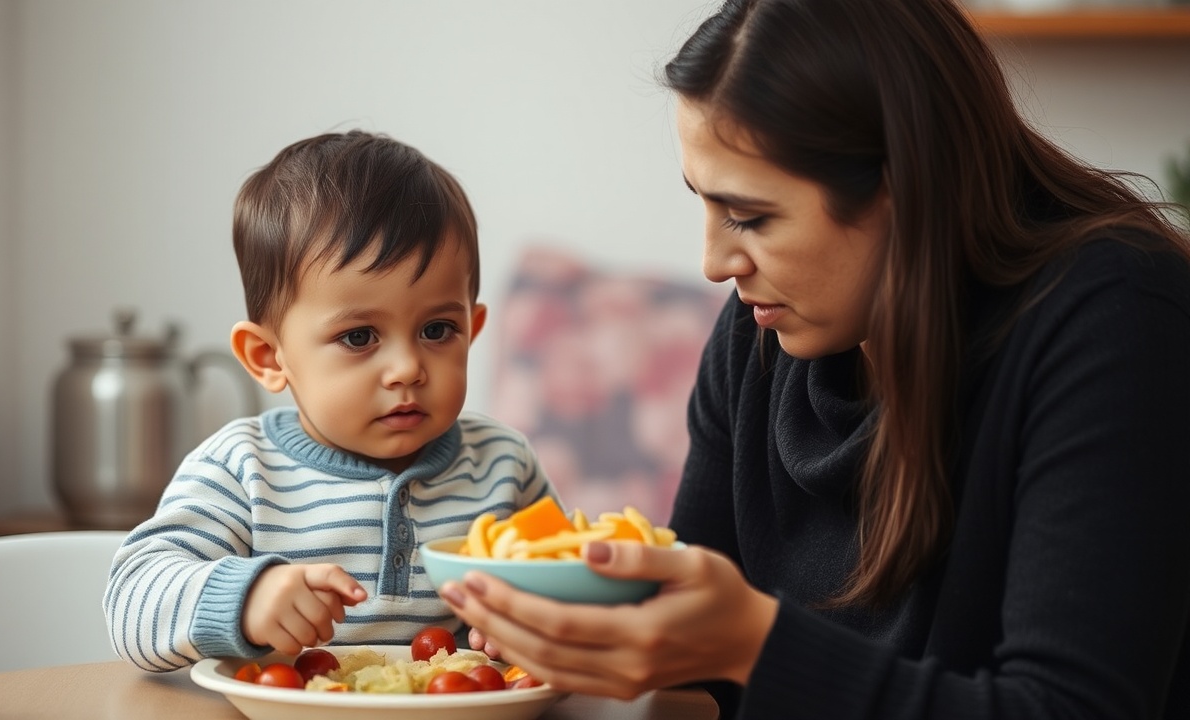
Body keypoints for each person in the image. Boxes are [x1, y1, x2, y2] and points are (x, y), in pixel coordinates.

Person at [439, 0, 1190, 717]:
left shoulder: (1118, 318)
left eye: (750, 216)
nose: (713, 262)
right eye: (703, 202)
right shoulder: (756, 339)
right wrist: (587, 631)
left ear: (903, 188)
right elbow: (698, 665)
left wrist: (754, 646)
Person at [104, 130, 559, 672]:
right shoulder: (241, 469)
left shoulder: (504, 465)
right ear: (269, 356)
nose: (408, 368)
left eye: (438, 329)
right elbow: (130, 605)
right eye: (360, 337)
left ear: (473, 327)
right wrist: (246, 599)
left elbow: (563, 582)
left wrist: (534, 624)